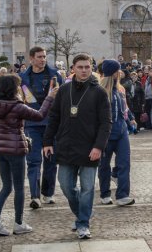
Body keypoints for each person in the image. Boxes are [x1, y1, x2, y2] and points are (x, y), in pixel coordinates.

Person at [44, 54, 111, 240]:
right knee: (66, 185)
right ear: (73, 68)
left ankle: (83, 223)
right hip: (66, 146)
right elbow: (54, 117)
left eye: (87, 67)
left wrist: (99, 146)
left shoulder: (99, 92)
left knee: (88, 188)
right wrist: (47, 141)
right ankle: (85, 212)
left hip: (90, 148)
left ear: (91, 69)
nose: (83, 70)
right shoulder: (64, 90)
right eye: (80, 67)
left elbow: (106, 123)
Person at [0, 73, 58, 236]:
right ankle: (18, 223)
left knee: (6, 186)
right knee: (18, 187)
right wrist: (49, 98)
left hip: (0, 148)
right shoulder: (17, 106)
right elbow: (39, 115)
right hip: (16, 148)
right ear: (13, 89)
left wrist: (1, 132)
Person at [18, 47, 64, 210]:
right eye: (39, 57)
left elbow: (62, 97)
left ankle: (48, 193)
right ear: (31, 59)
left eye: (44, 56)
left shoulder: (55, 75)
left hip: (51, 124)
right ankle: (35, 196)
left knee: (51, 160)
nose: (43, 59)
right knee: (33, 161)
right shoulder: (23, 77)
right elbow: (22, 100)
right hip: (32, 124)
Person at [97, 60, 136, 207]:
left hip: (121, 132)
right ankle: (105, 193)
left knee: (124, 163)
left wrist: (131, 119)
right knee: (104, 165)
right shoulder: (99, 90)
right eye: (117, 70)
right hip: (106, 133)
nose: (119, 73)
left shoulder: (119, 89)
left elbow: (124, 107)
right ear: (112, 72)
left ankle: (122, 195)